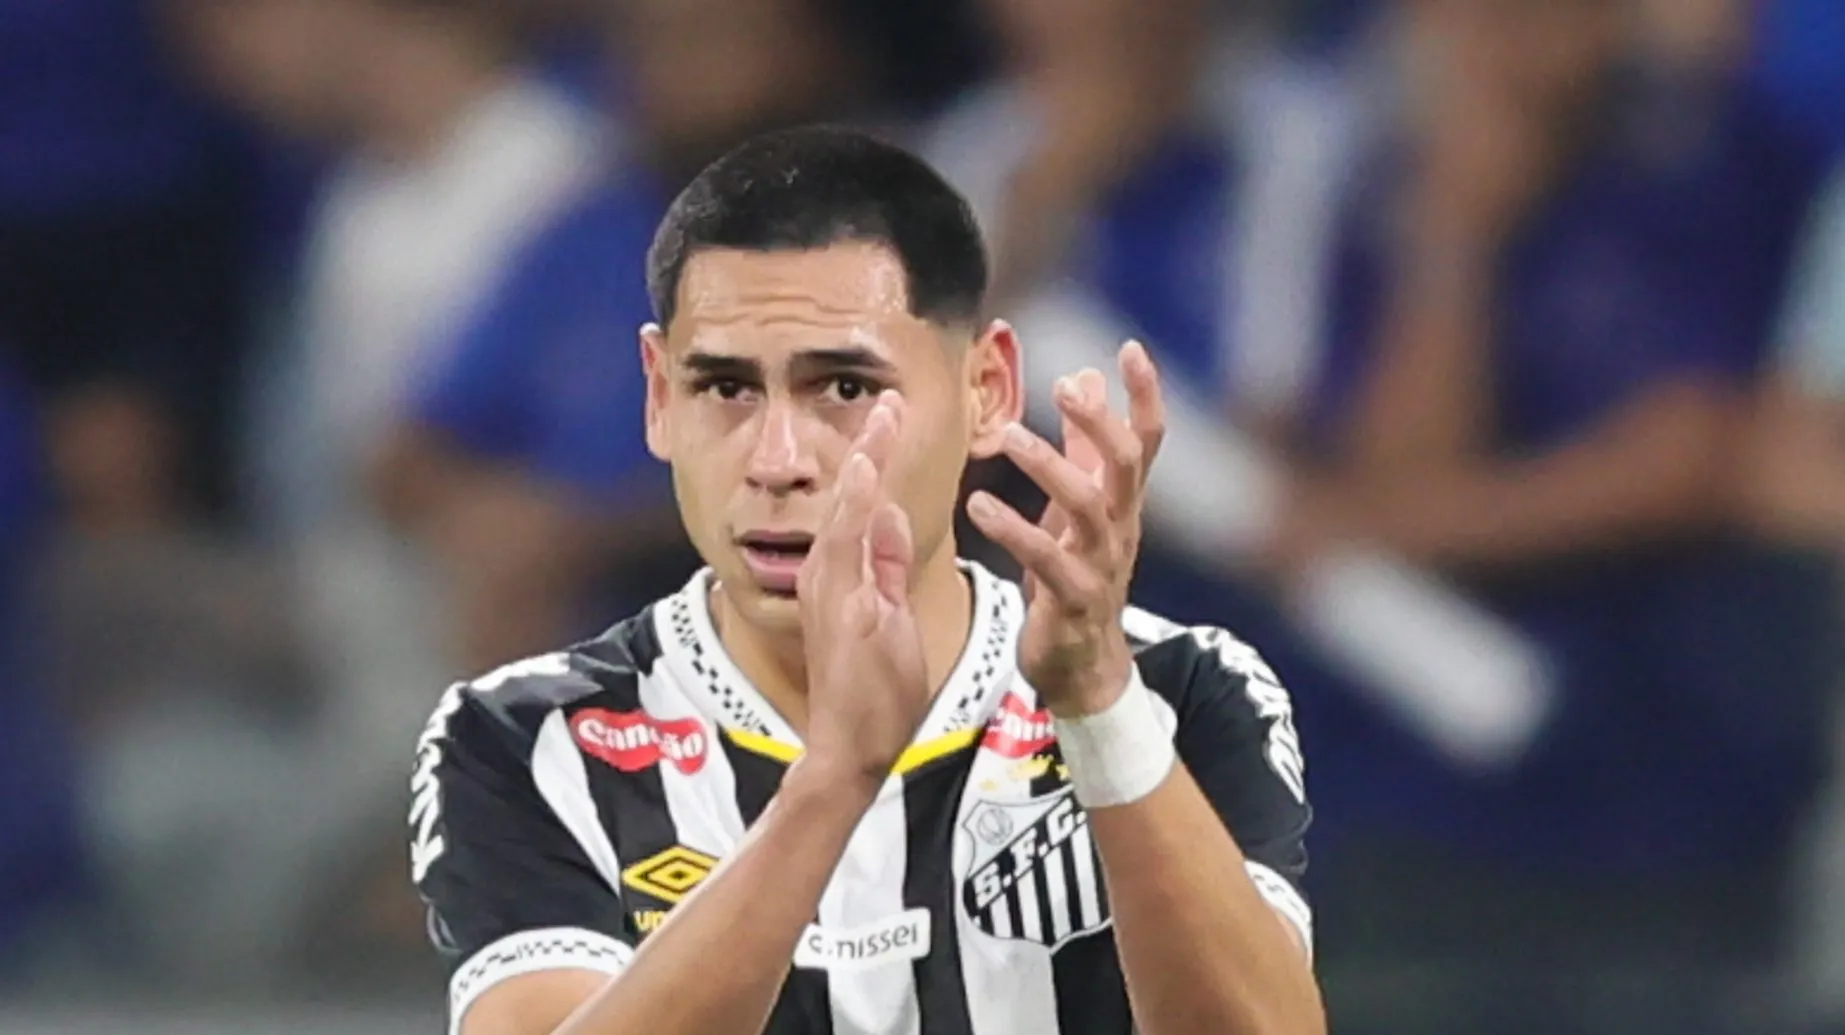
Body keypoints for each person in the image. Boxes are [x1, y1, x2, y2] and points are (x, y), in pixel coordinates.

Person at [409, 126, 1322, 1035]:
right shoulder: (529, 738)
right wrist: (835, 777)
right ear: (657, 395)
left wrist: (1095, 705)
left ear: (988, 390)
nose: (776, 460)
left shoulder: (1180, 694)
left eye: (842, 388)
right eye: (725, 389)